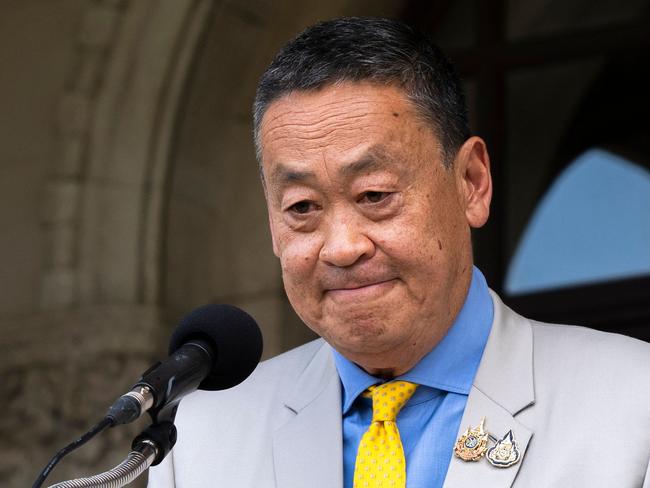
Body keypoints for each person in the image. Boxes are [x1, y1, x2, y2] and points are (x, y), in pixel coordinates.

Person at [148, 17, 650, 488]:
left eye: (374, 196)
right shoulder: (201, 435)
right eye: (302, 206)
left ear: (472, 183)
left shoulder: (632, 404)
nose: (343, 247)